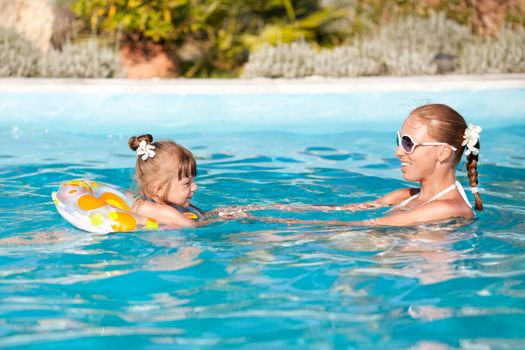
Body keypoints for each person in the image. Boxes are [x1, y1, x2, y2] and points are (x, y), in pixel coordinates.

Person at [216, 103, 483, 226]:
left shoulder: (446, 209)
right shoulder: (403, 196)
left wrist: (270, 223)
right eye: (399, 140)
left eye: (408, 143)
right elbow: (342, 211)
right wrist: (256, 208)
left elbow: (363, 227)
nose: (397, 152)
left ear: (442, 153)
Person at [128, 134, 203, 227]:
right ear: (157, 189)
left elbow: (203, 215)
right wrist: (220, 219)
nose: (195, 187)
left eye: (193, 180)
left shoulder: (174, 203)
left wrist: (217, 213)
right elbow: (198, 226)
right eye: (187, 183)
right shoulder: (166, 212)